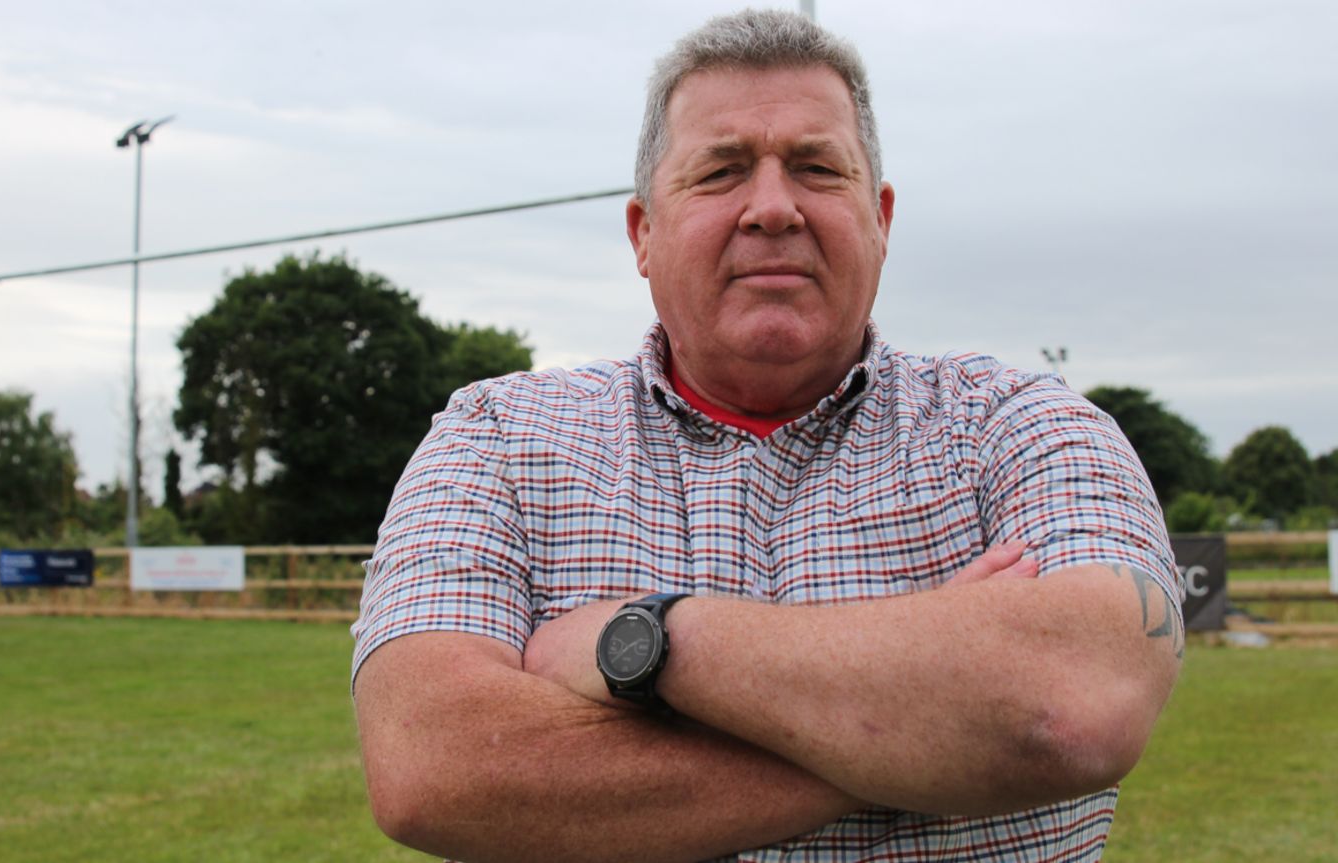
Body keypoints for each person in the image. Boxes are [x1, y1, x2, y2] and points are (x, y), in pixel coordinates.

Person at [351, 9, 1182, 862]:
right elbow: (437, 767)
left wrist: (645, 641)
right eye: (721, 172)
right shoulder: (495, 438)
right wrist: (935, 733)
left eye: (819, 168)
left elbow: (1076, 704)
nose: (774, 207)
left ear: (881, 218)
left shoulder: (1024, 427)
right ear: (644, 232)